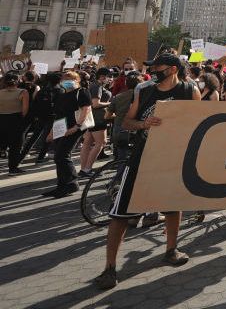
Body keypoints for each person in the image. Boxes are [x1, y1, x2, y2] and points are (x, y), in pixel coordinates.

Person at [94, 54, 200, 290]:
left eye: (158, 67)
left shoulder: (189, 90)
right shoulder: (144, 91)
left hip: (172, 158)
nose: (153, 71)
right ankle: (109, 268)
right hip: (142, 156)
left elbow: (199, 124)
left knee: (172, 206)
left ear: (172, 69)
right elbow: (126, 122)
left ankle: (171, 250)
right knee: (121, 213)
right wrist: (144, 124)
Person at [43, 71, 92, 198]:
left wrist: (77, 127)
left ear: (77, 80)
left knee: (61, 155)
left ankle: (71, 184)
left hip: (74, 128)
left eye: (70, 78)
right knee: (59, 157)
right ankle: (61, 186)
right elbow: (59, 116)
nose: (66, 81)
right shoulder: (62, 95)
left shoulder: (82, 92)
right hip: (61, 128)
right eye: (64, 79)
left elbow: (86, 109)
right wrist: (52, 132)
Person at [79, 68, 113, 177]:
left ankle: (84, 169)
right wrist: (110, 103)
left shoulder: (95, 85)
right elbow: (96, 104)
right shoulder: (97, 86)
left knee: (87, 143)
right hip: (98, 118)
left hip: (92, 118)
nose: (110, 79)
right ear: (102, 76)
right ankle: (87, 169)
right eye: (109, 76)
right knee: (101, 142)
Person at [0, 72, 29, 175]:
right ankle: (12, 168)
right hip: (16, 120)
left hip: (1, 119)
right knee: (15, 146)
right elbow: (24, 110)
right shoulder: (23, 92)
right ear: (17, 81)